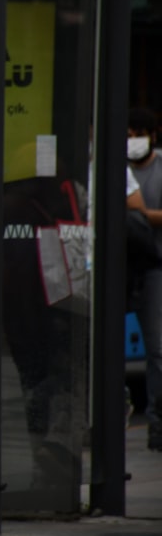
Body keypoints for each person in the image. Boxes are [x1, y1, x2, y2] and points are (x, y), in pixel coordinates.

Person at [127, 107, 162, 451]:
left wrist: (138, 215)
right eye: (128, 133)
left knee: (157, 350)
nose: (132, 141)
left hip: (153, 268)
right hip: (119, 270)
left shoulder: (159, 168)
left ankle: (157, 423)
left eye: (138, 133)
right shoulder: (114, 165)